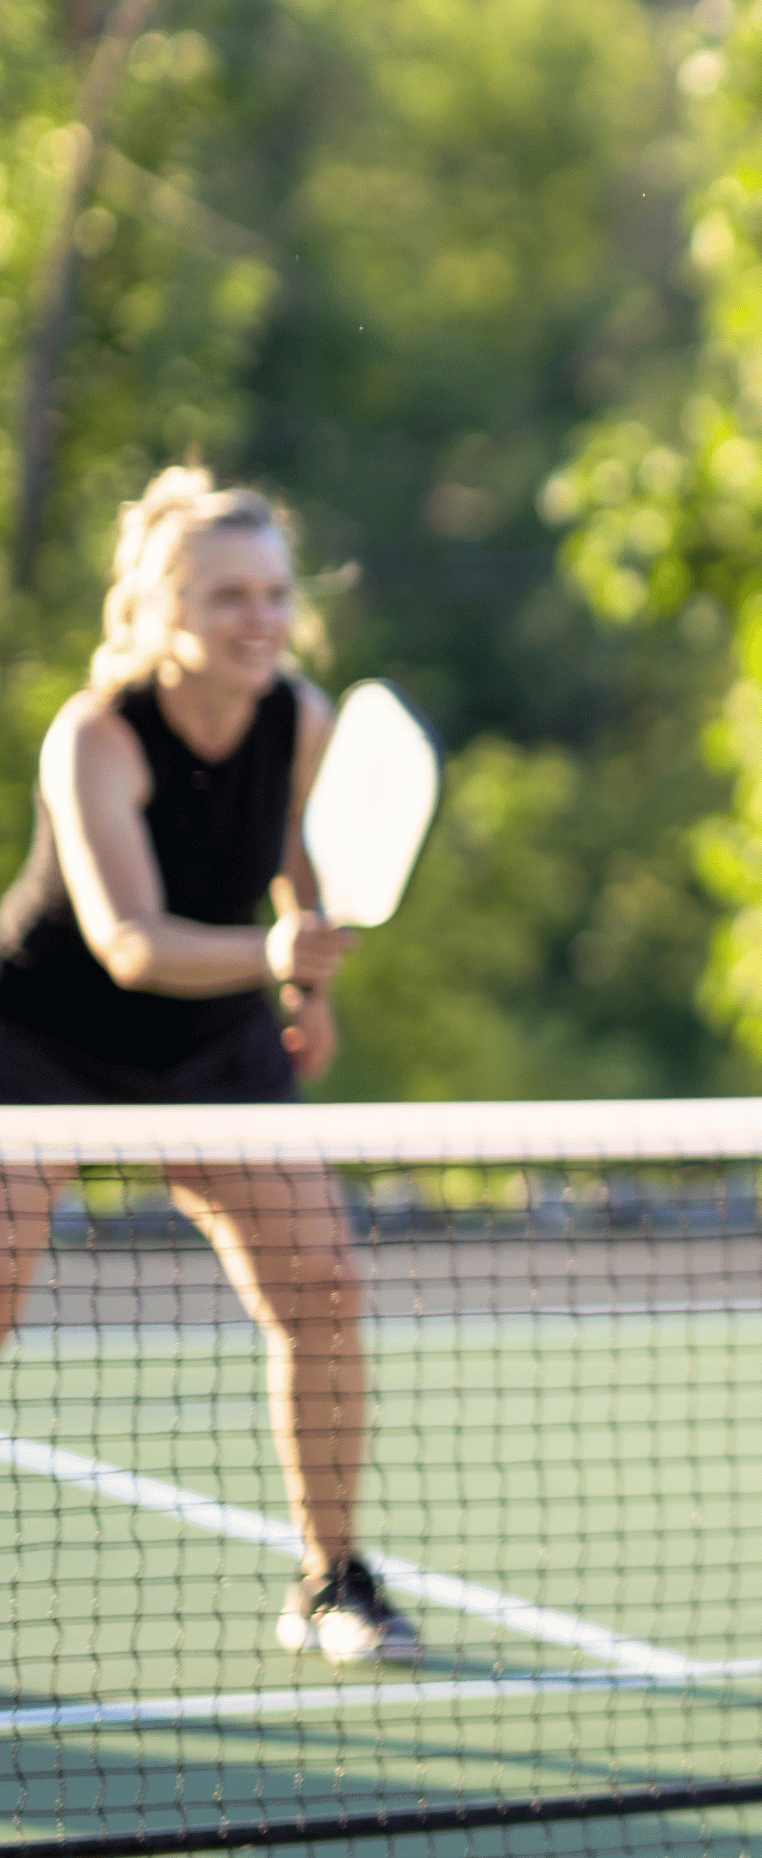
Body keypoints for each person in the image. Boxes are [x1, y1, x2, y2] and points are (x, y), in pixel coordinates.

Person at [0, 465, 411, 1664]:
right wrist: (278, 951)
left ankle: (333, 1579)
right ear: (161, 608)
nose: (261, 620)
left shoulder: (302, 716)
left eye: (276, 594)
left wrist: (307, 986)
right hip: (38, 1043)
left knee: (323, 1291)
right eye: (230, 596)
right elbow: (131, 941)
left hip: (216, 1041)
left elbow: (301, 861)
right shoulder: (95, 735)